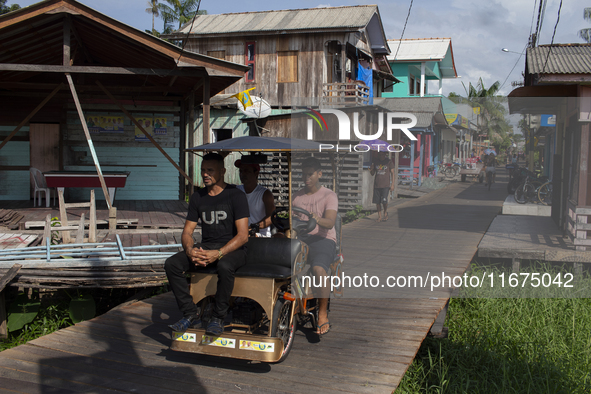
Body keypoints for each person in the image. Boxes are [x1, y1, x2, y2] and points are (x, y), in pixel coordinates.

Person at [165, 153, 250, 336]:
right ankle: (190, 312)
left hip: (233, 249)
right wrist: (190, 250)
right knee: (171, 264)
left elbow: (243, 236)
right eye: (203, 170)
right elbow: (187, 232)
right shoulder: (198, 197)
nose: (205, 174)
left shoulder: (236, 195)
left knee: (225, 265)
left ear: (222, 171)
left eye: (210, 170)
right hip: (207, 246)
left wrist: (218, 253)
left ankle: (218, 317)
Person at [293, 157, 338, 336]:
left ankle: (322, 312)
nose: (306, 177)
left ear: (319, 174)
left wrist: (317, 219)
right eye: (303, 174)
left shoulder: (329, 195)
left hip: (323, 239)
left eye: (310, 174)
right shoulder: (296, 196)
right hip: (301, 239)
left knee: (319, 269)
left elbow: (330, 222)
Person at [235, 159, 275, 237]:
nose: (242, 174)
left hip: (260, 235)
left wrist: (254, 228)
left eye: (247, 171)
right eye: (241, 171)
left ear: (256, 173)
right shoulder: (236, 190)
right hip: (240, 235)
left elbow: (271, 217)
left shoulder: (265, 194)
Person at [370, 151, 395, 222]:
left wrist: (392, 184)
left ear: (385, 155)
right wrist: (371, 169)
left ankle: (385, 212)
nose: (381, 156)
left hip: (385, 185)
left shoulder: (388, 162)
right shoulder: (375, 162)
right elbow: (372, 173)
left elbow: (393, 173)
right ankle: (379, 216)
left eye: (382, 155)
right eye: (379, 155)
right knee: (377, 202)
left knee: (384, 200)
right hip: (377, 185)